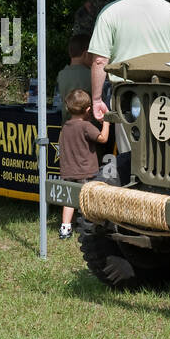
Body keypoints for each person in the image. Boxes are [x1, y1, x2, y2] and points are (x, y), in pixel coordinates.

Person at [88, 0, 170, 184]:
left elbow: (99, 60)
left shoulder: (109, 13)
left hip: (128, 95)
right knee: (167, 152)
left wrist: (97, 98)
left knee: (131, 158)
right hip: (168, 94)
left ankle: (134, 208)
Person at [57, 88, 110, 238]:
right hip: (86, 172)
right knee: (87, 200)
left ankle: (65, 228)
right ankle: (87, 227)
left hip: (68, 171)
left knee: (69, 200)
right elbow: (103, 138)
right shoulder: (86, 126)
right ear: (88, 109)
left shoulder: (66, 126)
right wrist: (106, 122)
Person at [54, 34, 93, 111]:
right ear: (86, 54)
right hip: (88, 122)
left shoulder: (61, 74)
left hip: (66, 121)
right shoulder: (91, 75)